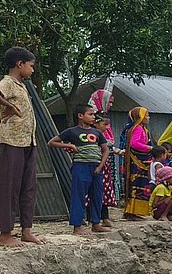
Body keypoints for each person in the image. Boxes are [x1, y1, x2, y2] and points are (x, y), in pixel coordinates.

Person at [0, 47, 44, 247]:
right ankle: (5, 234)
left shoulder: (21, 85)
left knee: (28, 186)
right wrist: (8, 106)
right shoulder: (8, 82)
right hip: (11, 141)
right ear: (20, 64)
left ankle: (27, 229)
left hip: (27, 141)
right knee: (9, 187)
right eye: (31, 66)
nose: (32, 70)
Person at [48, 104, 110, 237]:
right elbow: (51, 142)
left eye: (93, 114)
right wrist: (68, 145)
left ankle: (96, 223)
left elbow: (105, 150)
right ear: (80, 116)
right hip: (80, 166)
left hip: (96, 168)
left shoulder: (97, 133)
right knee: (79, 196)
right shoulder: (72, 132)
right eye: (90, 114)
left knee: (97, 196)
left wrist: (100, 166)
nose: (93, 117)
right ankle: (77, 226)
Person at [87, 89, 116, 228]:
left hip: (104, 162)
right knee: (92, 189)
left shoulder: (104, 119)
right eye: (109, 102)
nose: (110, 104)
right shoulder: (91, 120)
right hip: (94, 161)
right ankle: (93, 218)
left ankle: (104, 217)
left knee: (103, 189)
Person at [121, 107, 154, 219]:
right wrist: (149, 148)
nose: (149, 118)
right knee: (136, 185)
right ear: (140, 117)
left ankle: (135, 211)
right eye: (147, 115)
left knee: (140, 185)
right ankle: (131, 211)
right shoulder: (138, 128)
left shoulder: (144, 129)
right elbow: (134, 144)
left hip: (142, 161)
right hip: (137, 162)